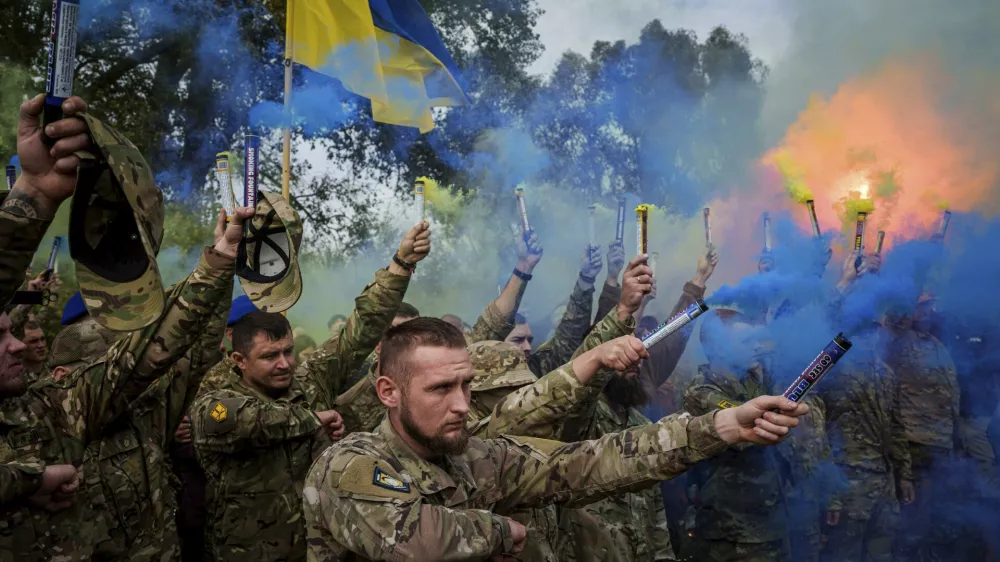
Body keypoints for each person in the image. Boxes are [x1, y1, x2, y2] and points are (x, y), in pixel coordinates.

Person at [302, 318, 810, 560]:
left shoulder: (475, 456)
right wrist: (504, 533)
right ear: (388, 392)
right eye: (440, 388)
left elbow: (590, 462)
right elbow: (417, 543)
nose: (460, 404)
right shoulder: (351, 463)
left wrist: (717, 428)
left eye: (466, 385)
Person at [191, 223, 429, 562]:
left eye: (287, 351)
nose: (284, 363)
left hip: (319, 549)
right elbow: (236, 419)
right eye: (270, 356)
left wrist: (400, 267)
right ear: (239, 360)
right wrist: (312, 419)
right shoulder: (216, 393)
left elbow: (360, 329)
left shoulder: (310, 379)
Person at [682, 310, 789, 562]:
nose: (756, 346)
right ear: (718, 349)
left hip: (769, 519)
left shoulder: (753, 380)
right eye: (746, 341)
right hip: (732, 529)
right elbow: (749, 428)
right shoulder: (701, 392)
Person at [883, 293, 961, 562]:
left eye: (930, 307)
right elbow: (891, 321)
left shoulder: (938, 344)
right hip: (914, 444)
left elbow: (951, 397)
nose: (927, 312)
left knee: (935, 516)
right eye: (921, 307)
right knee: (912, 518)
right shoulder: (899, 341)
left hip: (942, 444)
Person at [18, 319, 47, 384]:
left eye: (42, 339)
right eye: (33, 341)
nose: (41, 345)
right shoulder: (16, 377)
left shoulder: (56, 370)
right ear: (20, 345)